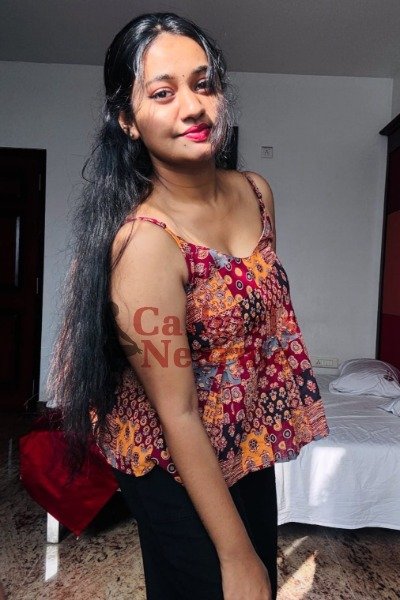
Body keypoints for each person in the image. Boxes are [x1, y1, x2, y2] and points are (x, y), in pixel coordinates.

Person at [46, 12, 330, 600]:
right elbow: (176, 413)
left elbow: (259, 326)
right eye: (162, 93)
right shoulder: (147, 243)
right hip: (169, 453)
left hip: (243, 436)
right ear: (127, 120)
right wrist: (237, 557)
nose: (194, 107)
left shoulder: (256, 192)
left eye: (204, 85)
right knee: (217, 580)